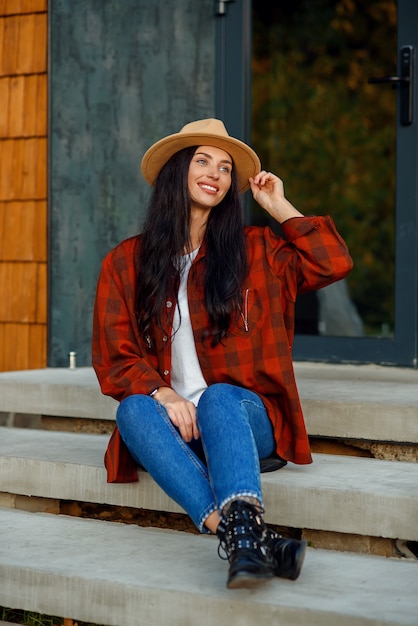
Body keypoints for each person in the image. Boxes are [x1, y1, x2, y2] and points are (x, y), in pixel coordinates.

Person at [92, 118, 353, 589]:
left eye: (226, 167)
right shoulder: (125, 262)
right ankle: (246, 538)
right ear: (178, 171)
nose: (215, 173)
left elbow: (332, 262)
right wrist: (163, 393)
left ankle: (239, 531)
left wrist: (277, 205)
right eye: (202, 160)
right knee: (133, 409)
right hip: (177, 427)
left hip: (245, 421)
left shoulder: (256, 251)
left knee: (218, 398)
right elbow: (115, 357)